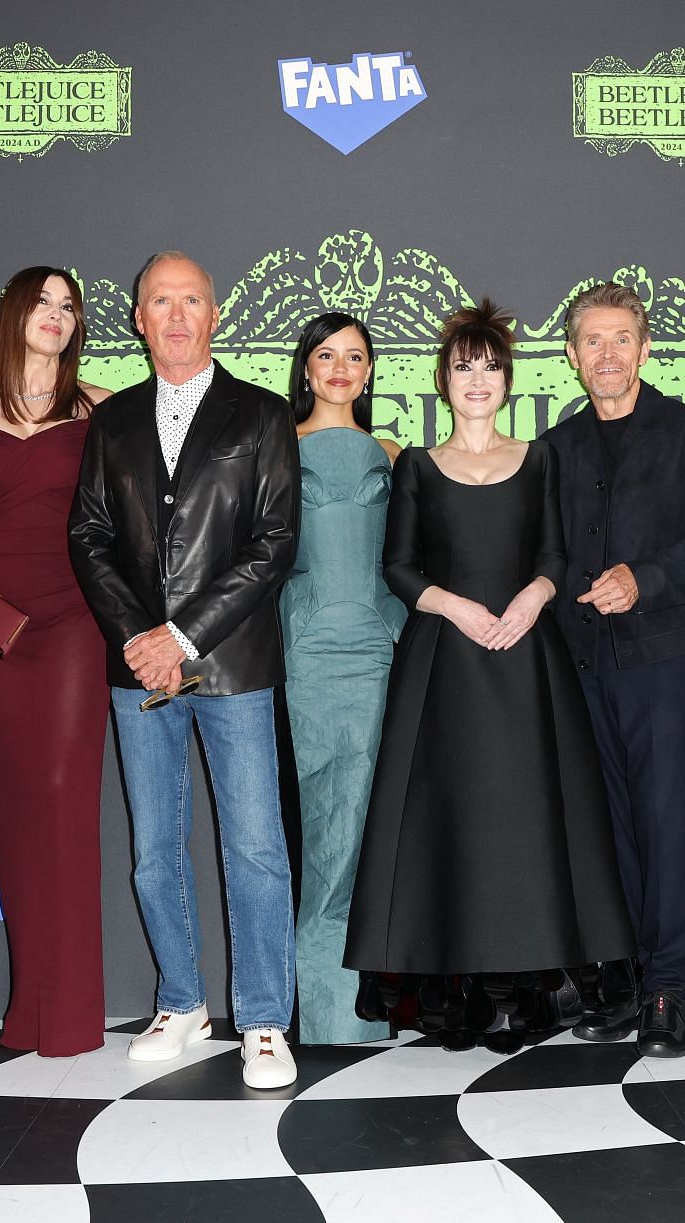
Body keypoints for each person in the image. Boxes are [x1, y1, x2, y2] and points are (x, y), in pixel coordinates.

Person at [345, 300, 636, 1054]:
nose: (478, 380)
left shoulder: (539, 458)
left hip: (525, 661)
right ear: (443, 380)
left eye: (491, 367)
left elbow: (553, 554)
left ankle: (530, 987)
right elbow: (399, 566)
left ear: (508, 379)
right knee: (454, 823)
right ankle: (459, 989)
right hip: (445, 665)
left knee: (527, 824)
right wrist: (457, 609)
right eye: (464, 367)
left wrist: (532, 600)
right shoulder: (416, 465)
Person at [69, 252, 302, 1089]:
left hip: (233, 664)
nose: (175, 314)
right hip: (138, 670)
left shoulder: (263, 414)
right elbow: (88, 535)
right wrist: (142, 638)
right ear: (137, 318)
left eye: (190, 300)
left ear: (216, 314)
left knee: (255, 848)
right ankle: (180, 1000)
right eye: (159, 301)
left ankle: (266, 1018)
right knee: (152, 849)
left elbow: (275, 542)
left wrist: (184, 635)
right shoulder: (114, 419)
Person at [542, 283, 685, 1058]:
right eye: (591, 341)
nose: (606, 354)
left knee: (665, 824)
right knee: (608, 830)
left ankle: (667, 989)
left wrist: (647, 578)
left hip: (661, 658)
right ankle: (626, 979)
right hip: (580, 661)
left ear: (645, 347)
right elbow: (544, 558)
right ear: (571, 355)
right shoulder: (556, 448)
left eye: (620, 338)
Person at [0, 266, 113, 1057]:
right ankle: (29, 1004)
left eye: (69, 307)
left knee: (66, 802)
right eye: (43, 302)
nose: (57, 316)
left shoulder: (98, 406)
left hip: (74, 620)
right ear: (13, 314)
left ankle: (71, 1015)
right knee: (15, 813)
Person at [279, 312, 405, 1044]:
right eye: (326, 354)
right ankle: (317, 1010)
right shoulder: (275, 448)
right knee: (315, 827)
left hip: (379, 653)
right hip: (302, 655)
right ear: (305, 367)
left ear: (368, 373)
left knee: (363, 828)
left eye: (354, 356)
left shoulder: (392, 451)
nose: (338, 367)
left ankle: (362, 1006)